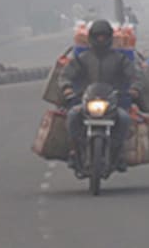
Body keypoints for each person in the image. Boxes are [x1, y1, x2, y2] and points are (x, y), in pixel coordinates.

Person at [60, 19, 140, 174]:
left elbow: (135, 75)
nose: (101, 40)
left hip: (113, 101)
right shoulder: (82, 58)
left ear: (110, 37)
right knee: (72, 116)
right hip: (86, 100)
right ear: (91, 38)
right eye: (97, 37)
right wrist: (67, 88)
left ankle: (119, 151)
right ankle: (75, 150)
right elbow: (66, 75)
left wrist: (135, 88)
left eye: (104, 37)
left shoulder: (119, 59)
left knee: (124, 118)